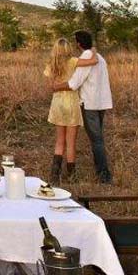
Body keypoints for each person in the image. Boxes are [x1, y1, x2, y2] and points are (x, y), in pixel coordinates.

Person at [53, 30, 114, 184]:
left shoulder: (85, 57)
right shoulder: (99, 57)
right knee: (98, 138)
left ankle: (103, 175)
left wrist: (56, 87)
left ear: (78, 43)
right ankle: (101, 171)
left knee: (96, 140)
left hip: (90, 104)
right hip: (102, 102)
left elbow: (74, 84)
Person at [43, 38, 97, 184]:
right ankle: (72, 175)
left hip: (58, 103)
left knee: (59, 141)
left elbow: (51, 86)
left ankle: (55, 175)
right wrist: (92, 49)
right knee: (71, 142)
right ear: (68, 49)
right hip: (72, 102)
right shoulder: (73, 61)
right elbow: (93, 61)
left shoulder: (51, 64)